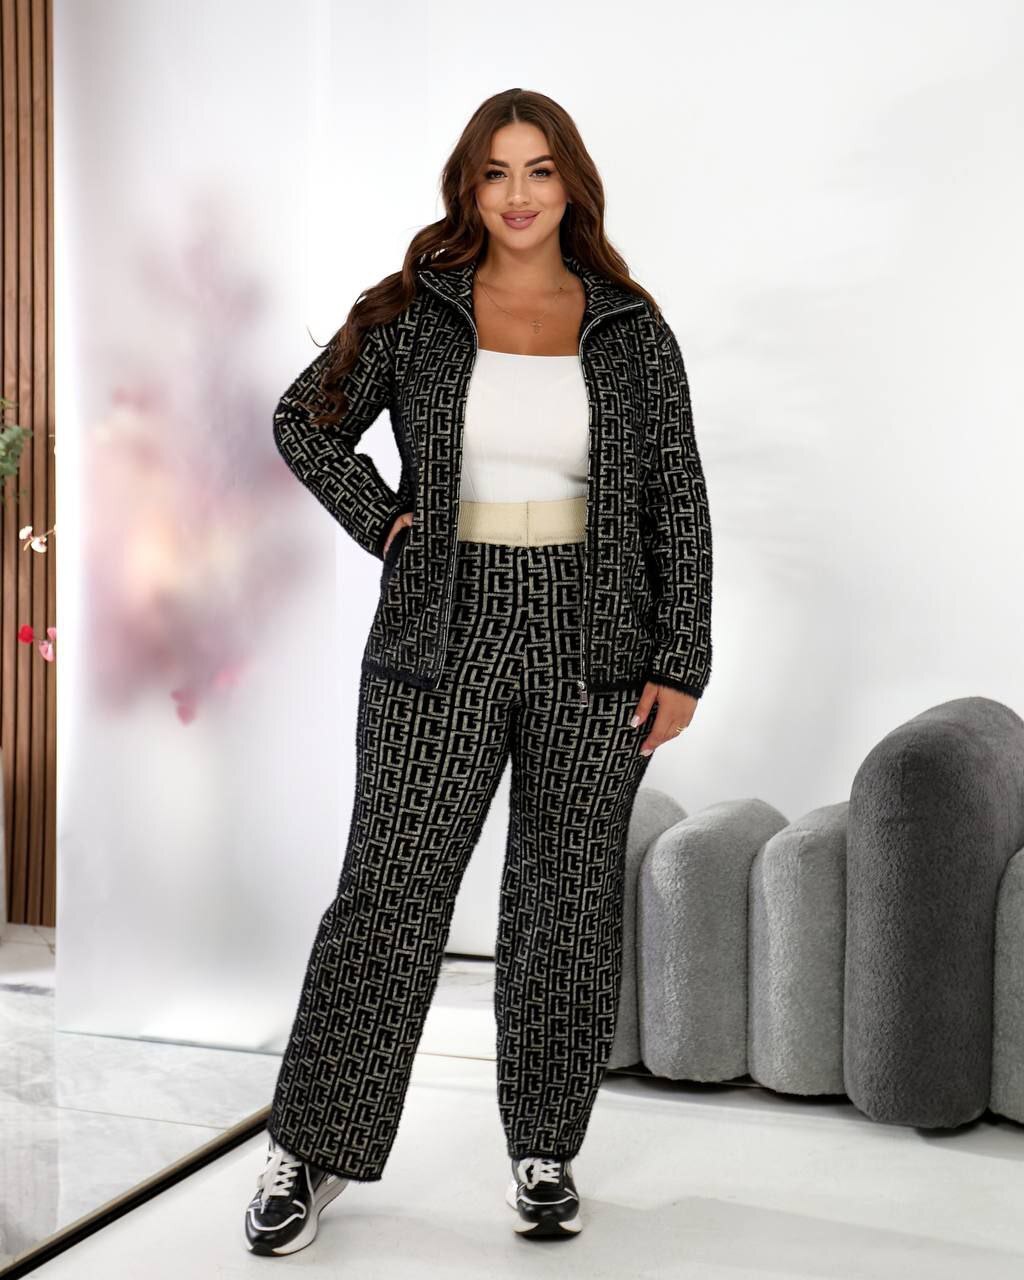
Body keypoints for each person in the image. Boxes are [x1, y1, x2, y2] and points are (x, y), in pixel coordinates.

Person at [244, 86, 713, 1256]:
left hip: (596, 637)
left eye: (538, 170)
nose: (517, 193)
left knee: (563, 905)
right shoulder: (416, 310)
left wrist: (682, 657)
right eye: (496, 171)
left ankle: (544, 1150)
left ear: (570, 184)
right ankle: (306, 1147)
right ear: (468, 184)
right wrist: (385, 520)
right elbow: (303, 420)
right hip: (437, 631)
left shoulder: (629, 327)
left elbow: (677, 498)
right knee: (390, 891)